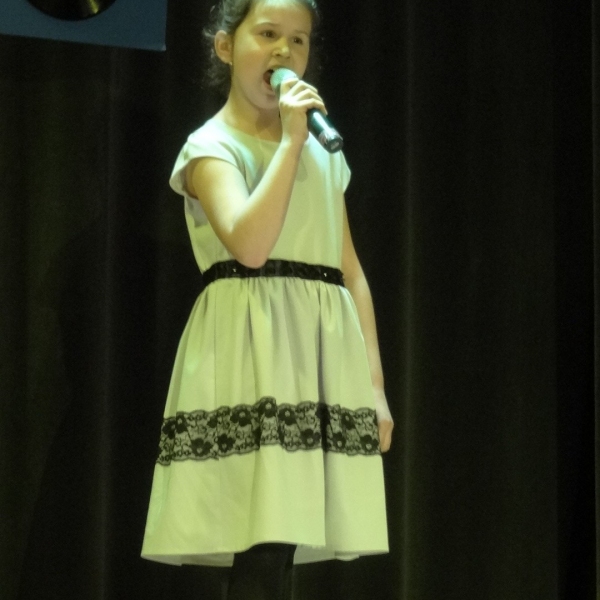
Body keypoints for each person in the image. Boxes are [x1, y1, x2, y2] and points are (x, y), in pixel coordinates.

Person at [141, 0, 394, 597]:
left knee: (283, 545)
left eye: (299, 40)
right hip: (248, 352)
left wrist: (374, 385)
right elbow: (251, 245)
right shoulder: (211, 147)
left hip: (315, 355)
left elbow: (350, 271)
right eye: (268, 34)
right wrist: (289, 144)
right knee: (260, 541)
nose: (285, 51)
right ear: (225, 47)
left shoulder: (321, 152)